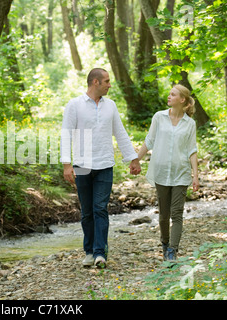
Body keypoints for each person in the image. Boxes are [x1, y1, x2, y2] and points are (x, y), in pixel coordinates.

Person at [60, 68, 141, 268]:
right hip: (82, 165)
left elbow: (120, 133)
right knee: (87, 211)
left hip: (105, 164)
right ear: (95, 82)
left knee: (100, 209)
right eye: (106, 81)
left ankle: (99, 253)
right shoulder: (75, 105)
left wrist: (133, 158)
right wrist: (66, 164)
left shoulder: (110, 106)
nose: (109, 85)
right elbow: (66, 134)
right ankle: (88, 251)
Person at [136, 84, 200, 261]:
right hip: (162, 171)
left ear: (182, 100)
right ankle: (165, 243)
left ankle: (172, 250)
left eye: (173, 94)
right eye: (169, 94)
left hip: (181, 173)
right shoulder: (159, 117)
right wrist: (136, 159)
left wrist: (195, 175)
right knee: (164, 215)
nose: (169, 96)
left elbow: (192, 150)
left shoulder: (190, 123)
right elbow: (149, 140)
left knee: (177, 213)